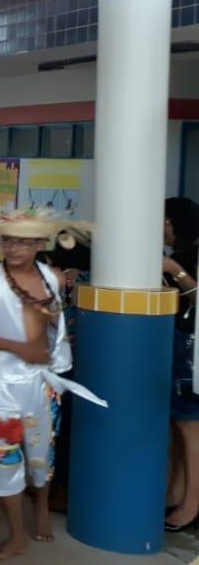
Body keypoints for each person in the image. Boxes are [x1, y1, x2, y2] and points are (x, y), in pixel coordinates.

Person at [0, 206, 105, 559]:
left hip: (42, 384)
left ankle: (40, 503)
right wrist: (17, 346)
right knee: (3, 459)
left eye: (23, 242)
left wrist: (51, 346)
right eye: (9, 241)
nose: (15, 248)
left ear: (39, 243)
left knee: (40, 456)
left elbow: (55, 325)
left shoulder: (53, 277)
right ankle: (16, 534)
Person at [165, 197, 199, 531]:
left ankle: (192, 505)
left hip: (192, 348)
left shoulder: (188, 258)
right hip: (177, 344)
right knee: (178, 425)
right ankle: (176, 493)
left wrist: (176, 271)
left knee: (191, 427)